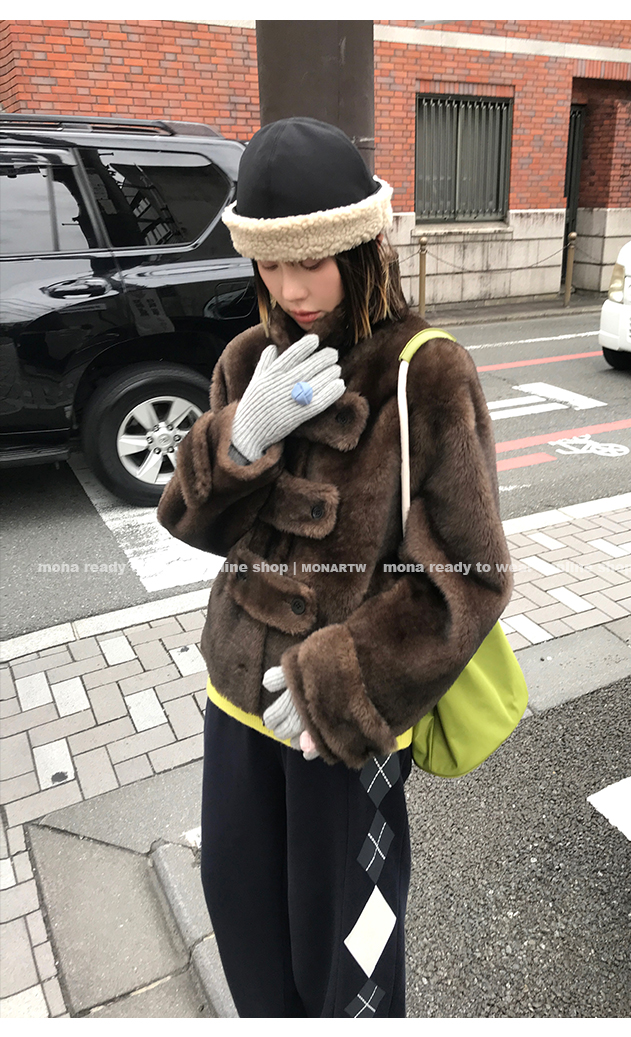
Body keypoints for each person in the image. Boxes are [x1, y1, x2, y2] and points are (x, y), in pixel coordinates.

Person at [157, 116, 512, 1018]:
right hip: (235, 709)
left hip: (341, 735)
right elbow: (194, 525)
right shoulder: (249, 359)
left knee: (348, 961)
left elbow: (470, 578)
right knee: (246, 929)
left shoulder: (426, 373)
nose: (290, 288)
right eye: (271, 264)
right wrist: (240, 438)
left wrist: (344, 685)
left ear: (360, 246)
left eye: (311, 261)